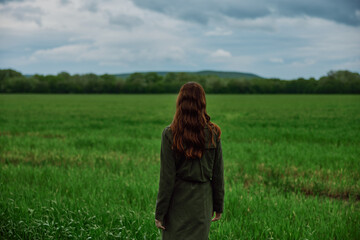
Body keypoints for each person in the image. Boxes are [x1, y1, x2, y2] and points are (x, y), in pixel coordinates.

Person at [155, 82, 224, 240]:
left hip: (177, 203)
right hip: (203, 202)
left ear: (180, 102)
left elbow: (167, 179)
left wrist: (160, 213)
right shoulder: (213, 132)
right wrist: (218, 206)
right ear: (202, 103)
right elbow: (218, 174)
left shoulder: (170, 133)